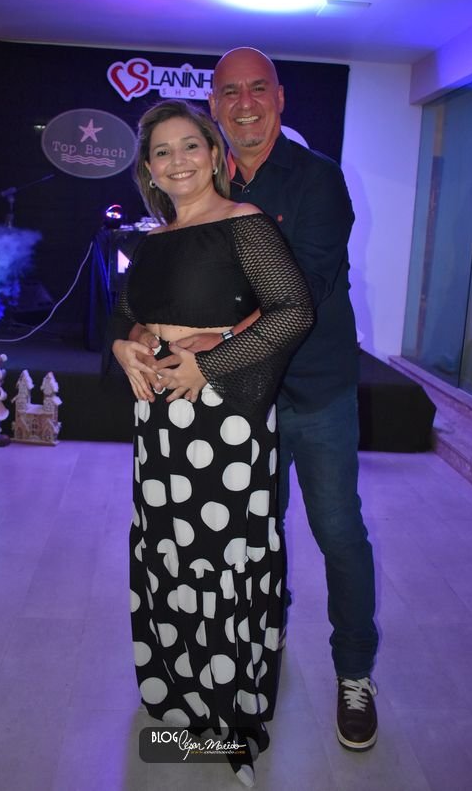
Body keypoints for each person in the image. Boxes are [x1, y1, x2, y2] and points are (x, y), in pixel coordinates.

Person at [151, 48, 380, 751]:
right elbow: (167, 278)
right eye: (229, 92)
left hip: (312, 390)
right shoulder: (206, 178)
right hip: (235, 401)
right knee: (252, 536)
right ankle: (258, 645)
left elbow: (300, 291)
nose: (244, 104)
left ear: (280, 98)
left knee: (336, 530)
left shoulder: (316, 179)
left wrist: (214, 339)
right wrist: (140, 336)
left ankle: (354, 672)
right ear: (213, 105)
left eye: (258, 89)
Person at [112, 99, 314, 786]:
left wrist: (211, 362)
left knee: (220, 562)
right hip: (160, 424)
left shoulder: (243, 223)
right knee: (168, 555)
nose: (178, 161)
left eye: (190, 146)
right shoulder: (153, 239)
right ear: (149, 169)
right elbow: (131, 315)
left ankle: (230, 722)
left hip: (224, 421)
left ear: (215, 155)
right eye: (162, 152)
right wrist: (126, 344)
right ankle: (178, 703)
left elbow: (293, 312)